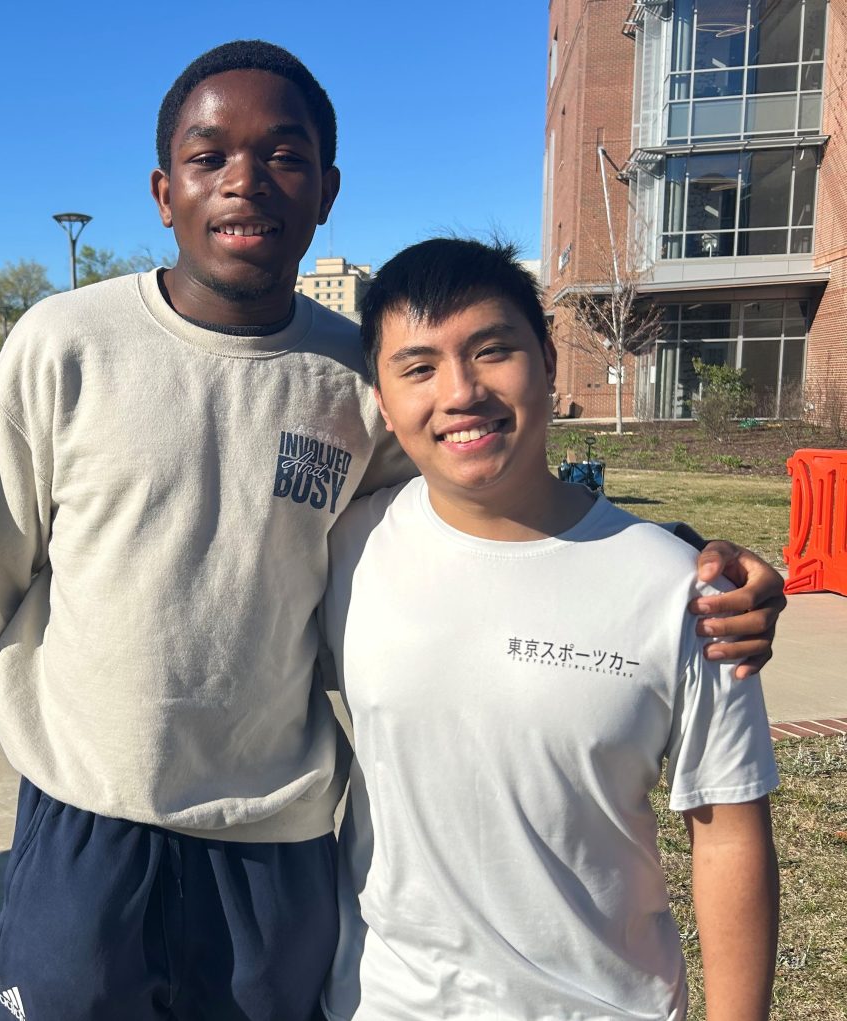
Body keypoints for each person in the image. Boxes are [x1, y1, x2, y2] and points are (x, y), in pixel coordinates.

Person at [0, 41, 786, 1021]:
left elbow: (486, 504)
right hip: (88, 828)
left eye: (283, 155)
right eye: (208, 155)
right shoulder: (64, 346)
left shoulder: (359, 379)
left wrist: (679, 555)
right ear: (162, 189)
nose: (245, 181)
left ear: (325, 189)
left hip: (278, 847)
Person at [320, 238, 780, 1021]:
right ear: (383, 401)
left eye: (493, 351)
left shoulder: (683, 588)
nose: (461, 391)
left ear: (549, 363)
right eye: (420, 367)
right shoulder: (343, 550)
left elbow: (729, 830)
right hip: (382, 1000)